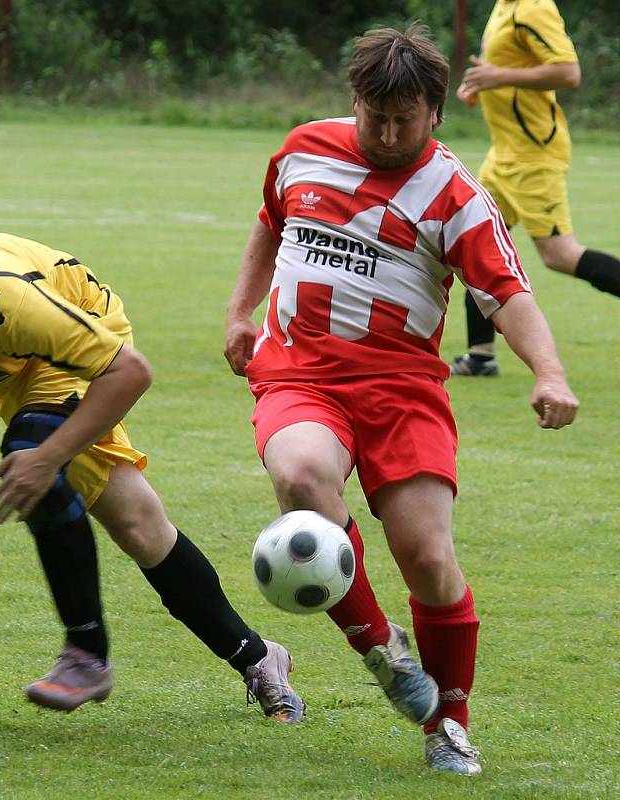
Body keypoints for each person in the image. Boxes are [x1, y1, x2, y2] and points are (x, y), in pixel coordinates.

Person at [223, 24, 578, 775]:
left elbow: (508, 293)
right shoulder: (303, 150)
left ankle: (448, 724)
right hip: (300, 373)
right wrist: (239, 312)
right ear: (354, 100)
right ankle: (381, 649)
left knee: (427, 557)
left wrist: (549, 372)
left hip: (402, 390)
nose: (386, 134)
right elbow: (269, 225)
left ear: (436, 114)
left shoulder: (455, 196)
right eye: (373, 116)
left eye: (404, 121)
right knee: (301, 478)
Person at [0, 231, 304, 722]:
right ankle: (260, 658)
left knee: (30, 460)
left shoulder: (5, 300)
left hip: (84, 323)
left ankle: (86, 654)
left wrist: (48, 458)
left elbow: (131, 372)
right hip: (14, 368)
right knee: (138, 526)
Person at [451, 0, 620, 376]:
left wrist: (499, 77)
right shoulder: (503, 7)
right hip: (504, 154)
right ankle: (481, 356)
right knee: (475, 241)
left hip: (534, 155)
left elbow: (568, 73)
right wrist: (480, 84)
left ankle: (481, 355)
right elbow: (503, 66)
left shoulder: (534, 7)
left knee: (559, 254)